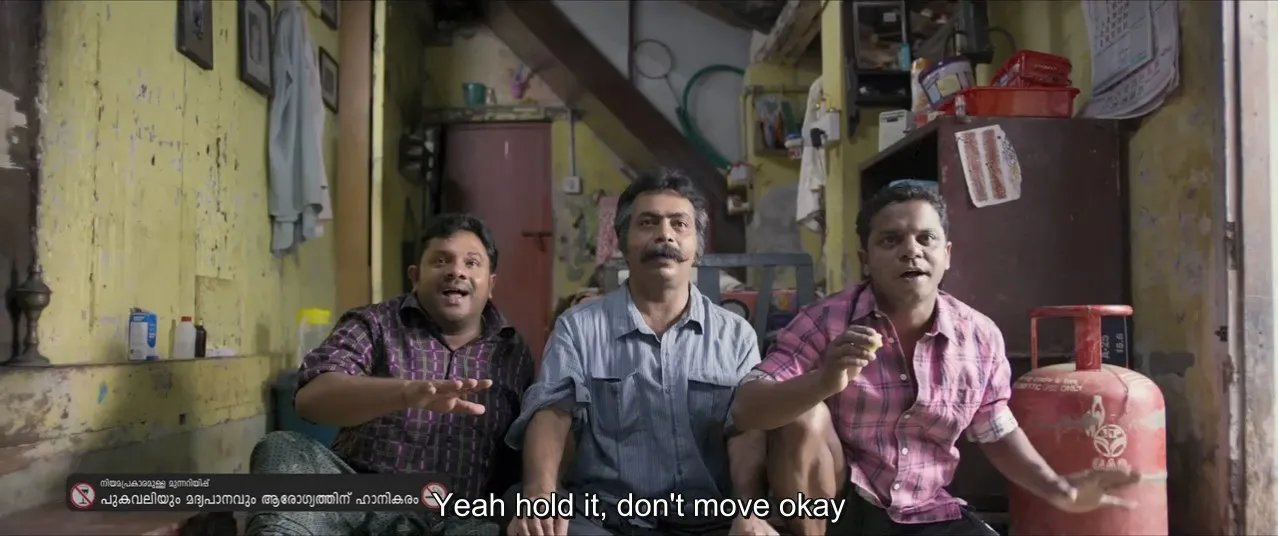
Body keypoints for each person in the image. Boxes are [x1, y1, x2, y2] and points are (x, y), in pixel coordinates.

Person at [731, 184, 1142, 536]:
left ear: (946, 254)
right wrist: (823, 381)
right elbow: (747, 408)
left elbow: (995, 430)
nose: (911, 251)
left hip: (925, 510)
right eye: (890, 240)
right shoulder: (825, 322)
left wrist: (1059, 489)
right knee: (805, 414)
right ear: (865, 259)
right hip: (837, 509)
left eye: (925, 239)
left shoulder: (978, 336)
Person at [505, 171, 777, 536]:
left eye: (679, 224)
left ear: (697, 247)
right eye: (648, 223)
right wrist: (542, 494)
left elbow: (744, 431)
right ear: (622, 241)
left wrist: (749, 511)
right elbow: (552, 412)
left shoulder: (735, 335)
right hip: (604, 519)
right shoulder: (578, 328)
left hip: (707, 522)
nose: (665, 235)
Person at [247, 213, 535, 536]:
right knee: (282, 449)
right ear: (415, 276)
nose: (456, 271)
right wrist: (405, 393)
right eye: (441, 260)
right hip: (359, 507)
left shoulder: (514, 354)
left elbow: (524, 455)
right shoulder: (374, 324)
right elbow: (310, 400)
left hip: (461, 521)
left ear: (491, 284)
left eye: (471, 263)